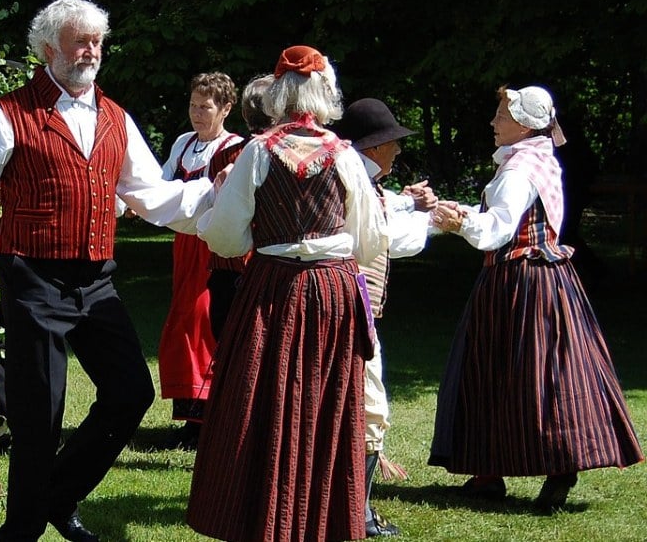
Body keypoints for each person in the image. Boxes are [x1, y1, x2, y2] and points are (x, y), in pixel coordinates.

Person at [0, 0, 217, 542]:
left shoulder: (115, 117)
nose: (91, 51)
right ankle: (19, 532)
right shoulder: (9, 114)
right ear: (48, 49)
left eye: (97, 41)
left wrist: (213, 197)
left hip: (96, 281)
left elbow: (149, 195)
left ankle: (57, 498)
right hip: (33, 278)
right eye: (80, 41)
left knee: (131, 392)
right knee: (39, 414)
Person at [188, 45, 387, 542]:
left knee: (261, 398)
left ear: (278, 93)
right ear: (327, 95)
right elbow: (369, 241)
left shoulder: (257, 151)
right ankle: (320, 518)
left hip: (272, 288)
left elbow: (229, 238)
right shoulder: (345, 155)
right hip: (331, 291)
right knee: (324, 402)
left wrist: (215, 215)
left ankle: (260, 515)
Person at [429, 84, 643, 510]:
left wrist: (457, 224)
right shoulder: (535, 160)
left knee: (527, 374)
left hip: (520, 282)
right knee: (524, 373)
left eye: (501, 117)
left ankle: (552, 468)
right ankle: (491, 473)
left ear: (525, 125)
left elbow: (497, 230)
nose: (493, 122)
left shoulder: (519, 169)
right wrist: (465, 212)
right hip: (537, 279)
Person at [335, 97, 437, 537]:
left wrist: (412, 203)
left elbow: (383, 210)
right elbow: (383, 238)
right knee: (371, 411)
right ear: (374, 147)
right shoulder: (355, 178)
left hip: (348, 314)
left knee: (354, 411)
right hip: (348, 318)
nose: (397, 150)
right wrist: (432, 222)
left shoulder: (360, 177)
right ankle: (357, 512)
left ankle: (348, 506)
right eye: (393, 142)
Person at [157, 71, 240, 450]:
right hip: (184, 245)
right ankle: (189, 414)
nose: (197, 113)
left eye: (205, 107)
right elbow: (161, 185)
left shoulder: (236, 148)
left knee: (203, 323)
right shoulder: (183, 143)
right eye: (193, 105)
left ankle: (207, 416)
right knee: (182, 322)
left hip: (213, 246)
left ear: (225, 108)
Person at [204, 73, 273, 345]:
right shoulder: (281, 159)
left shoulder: (223, 155)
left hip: (225, 272)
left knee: (227, 357)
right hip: (261, 272)